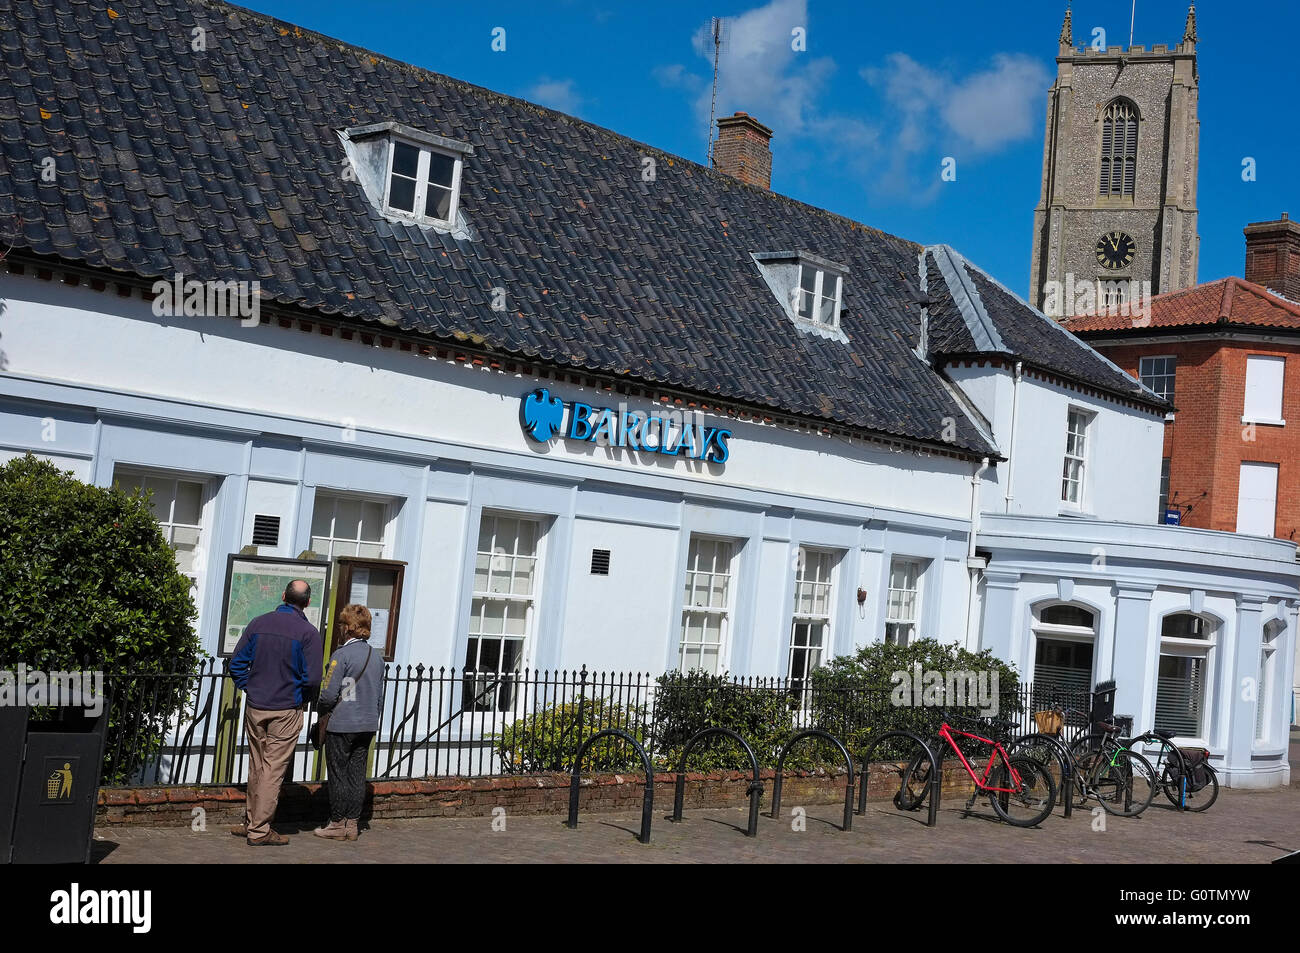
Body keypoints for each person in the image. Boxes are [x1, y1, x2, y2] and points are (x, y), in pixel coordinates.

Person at [227, 579, 323, 846]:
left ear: (283, 596)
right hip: (286, 707)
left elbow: (236, 665)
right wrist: (300, 699)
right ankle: (259, 830)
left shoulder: (258, 623)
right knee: (272, 770)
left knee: (257, 765)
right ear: (307, 602)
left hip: (257, 706)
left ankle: (251, 822)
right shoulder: (308, 632)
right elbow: (314, 678)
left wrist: (251, 688)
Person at [313, 604, 383, 841]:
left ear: (349, 628)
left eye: (343, 624)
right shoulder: (377, 657)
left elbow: (328, 695)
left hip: (342, 723)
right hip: (367, 723)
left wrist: (322, 712)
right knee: (357, 774)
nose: (341, 628)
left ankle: (337, 823)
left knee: (338, 773)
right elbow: (379, 696)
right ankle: (352, 824)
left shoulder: (340, 655)